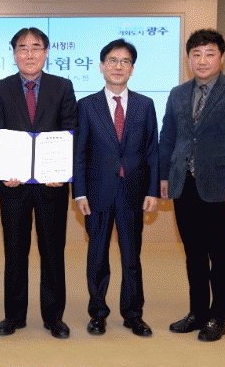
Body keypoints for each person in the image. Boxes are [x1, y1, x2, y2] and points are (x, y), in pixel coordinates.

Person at [159, 29, 225, 342]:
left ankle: (218, 317)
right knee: (193, 254)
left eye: (209, 54)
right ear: (189, 58)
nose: (202, 61)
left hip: (220, 187)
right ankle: (198, 312)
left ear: (222, 58)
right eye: (196, 54)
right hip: (183, 185)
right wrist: (164, 176)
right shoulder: (177, 93)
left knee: (220, 256)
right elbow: (167, 137)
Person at [0, 27, 78, 339]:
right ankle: (14, 316)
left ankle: (54, 317)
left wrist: (60, 169)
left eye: (36, 47)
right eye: (23, 48)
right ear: (14, 54)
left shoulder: (62, 86)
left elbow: (70, 129)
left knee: (52, 251)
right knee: (15, 252)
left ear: (46, 52)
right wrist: (4, 167)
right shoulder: (0, 88)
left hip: (52, 185)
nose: (29, 54)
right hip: (13, 186)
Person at [73, 39, 159, 338]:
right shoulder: (86, 105)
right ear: (101, 66)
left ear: (132, 69)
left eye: (125, 61)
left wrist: (152, 191)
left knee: (131, 257)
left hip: (133, 192)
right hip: (97, 192)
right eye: (112, 60)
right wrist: (79, 192)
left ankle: (133, 314)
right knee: (97, 256)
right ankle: (98, 314)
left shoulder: (145, 105)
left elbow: (152, 151)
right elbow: (79, 152)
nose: (118, 66)